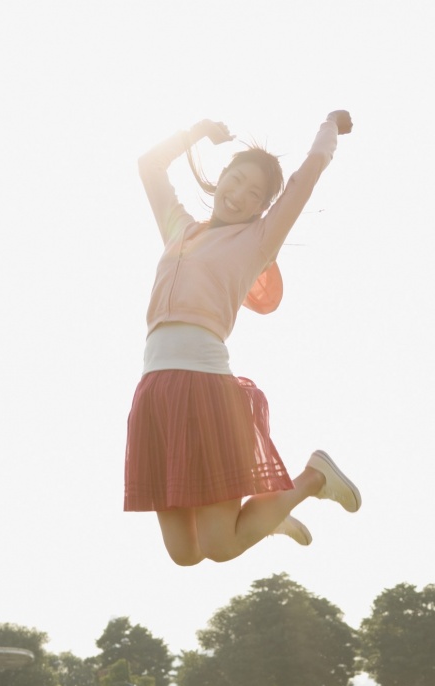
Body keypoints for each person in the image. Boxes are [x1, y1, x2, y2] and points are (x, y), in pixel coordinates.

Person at [124, 110, 361, 566]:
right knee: (185, 554)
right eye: (235, 181)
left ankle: (311, 479)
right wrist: (194, 134)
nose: (239, 196)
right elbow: (148, 167)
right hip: (155, 391)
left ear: (261, 210)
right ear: (221, 179)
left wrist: (329, 127)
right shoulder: (179, 230)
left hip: (203, 387)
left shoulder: (257, 241)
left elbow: (308, 174)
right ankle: (267, 516)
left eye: (255, 194)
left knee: (220, 546)